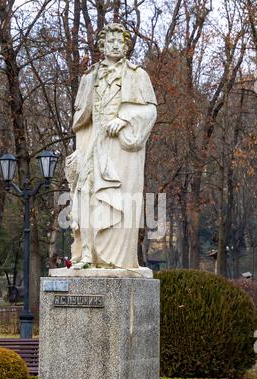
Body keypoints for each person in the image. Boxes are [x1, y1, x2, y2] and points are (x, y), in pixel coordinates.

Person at [65, 23, 157, 269]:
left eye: (120, 41)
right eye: (110, 41)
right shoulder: (89, 77)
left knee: (117, 202)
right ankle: (86, 255)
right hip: (93, 146)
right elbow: (79, 119)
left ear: (126, 47)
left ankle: (115, 259)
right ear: (102, 46)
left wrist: (124, 119)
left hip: (120, 152)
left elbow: (150, 110)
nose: (115, 45)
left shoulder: (138, 75)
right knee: (84, 195)